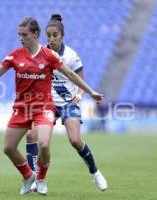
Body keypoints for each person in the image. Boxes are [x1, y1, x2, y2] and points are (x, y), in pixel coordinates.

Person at [0, 16, 103, 196]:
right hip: (22, 109)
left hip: (43, 108)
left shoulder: (49, 56)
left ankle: (41, 179)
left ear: (35, 35)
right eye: (19, 35)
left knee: (43, 144)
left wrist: (89, 92)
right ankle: (28, 176)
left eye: (25, 35)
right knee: (8, 148)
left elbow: (70, 74)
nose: (21, 38)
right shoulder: (15, 55)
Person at [25, 14, 108, 191]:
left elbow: (79, 78)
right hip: (47, 104)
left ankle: (95, 172)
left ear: (62, 35)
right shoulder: (40, 54)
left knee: (75, 140)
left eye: (55, 35)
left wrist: (81, 93)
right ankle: (33, 177)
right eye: (48, 35)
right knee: (32, 135)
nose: (51, 38)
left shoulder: (71, 55)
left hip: (68, 103)